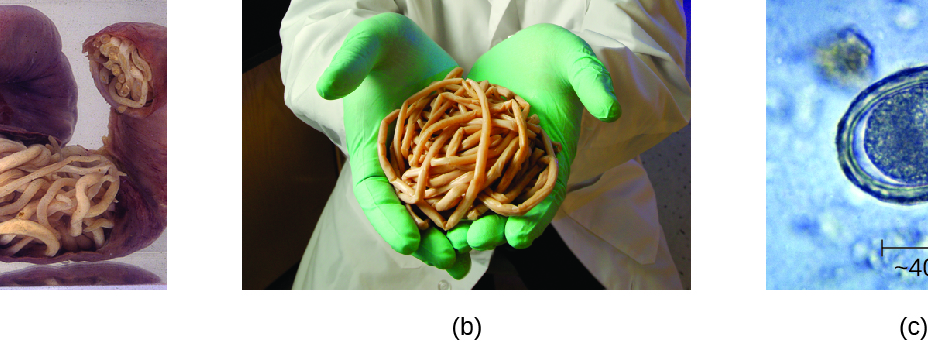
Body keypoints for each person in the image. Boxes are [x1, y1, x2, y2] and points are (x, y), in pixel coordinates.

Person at [279, 0, 690, 289]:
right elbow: (317, 17)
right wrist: (352, 61)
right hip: (402, 192)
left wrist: (585, 75)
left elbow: (653, 46)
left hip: (592, 203)